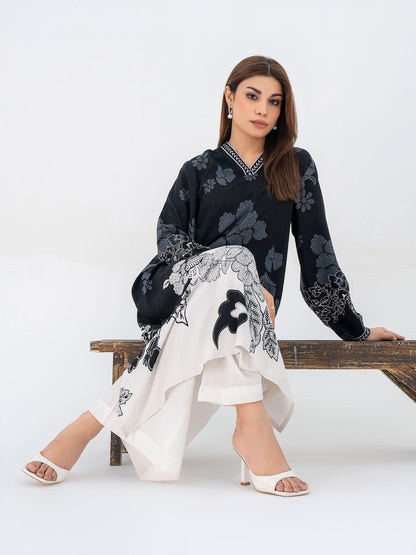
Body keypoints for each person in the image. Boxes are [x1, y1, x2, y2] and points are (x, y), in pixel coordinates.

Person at [22, 55, 404, 497]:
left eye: (274, 101)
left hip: (238, 316)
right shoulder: (198, 170)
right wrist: (239, 274)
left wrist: (356, 330)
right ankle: (253, 429)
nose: (263, 109)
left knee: (235, 290)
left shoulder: (297, 167)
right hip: (175, 294)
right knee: (236, 263)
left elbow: (318, 253)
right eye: (253, 96)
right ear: (230, 97)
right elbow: (169, 240)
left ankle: (85, 426)